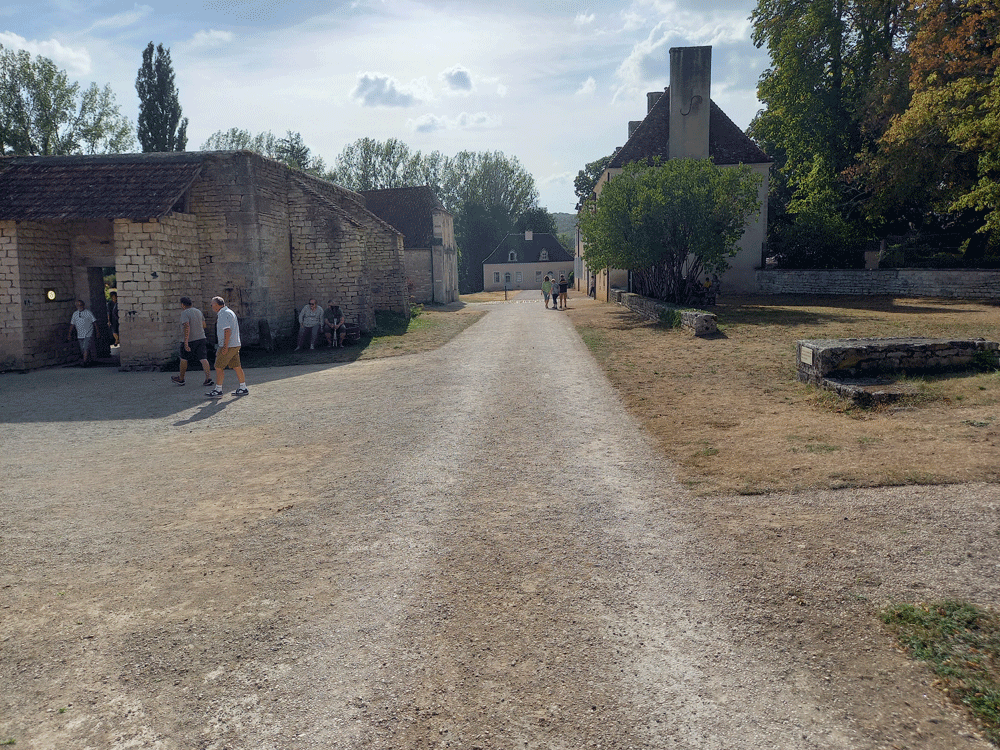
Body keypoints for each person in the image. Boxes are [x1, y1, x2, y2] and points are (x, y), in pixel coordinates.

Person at [206, 296, 248, 398]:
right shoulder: (229, 311)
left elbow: (227, 330)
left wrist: (224, 347)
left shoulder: (223, 314)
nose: (211, 306)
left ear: (216, 305)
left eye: (212, 304)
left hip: (228, 345)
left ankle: (218, 390)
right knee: (237, 366)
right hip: (235, 344)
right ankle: (243, 387)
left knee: (218, 367)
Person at [171, 297, 214, 387]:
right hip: (201, 338)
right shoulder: (198, 311)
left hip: (190, 339)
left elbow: (187, 326)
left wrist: (186, 342)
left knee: (183, 359)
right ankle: (208, 378)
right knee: (203, 358)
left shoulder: (184, 313)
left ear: (182, 304)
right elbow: (204, 325)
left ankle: (181, 378)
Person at [67, 299, 98, 366]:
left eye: (81, 305)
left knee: (85, 347)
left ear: (83, 305)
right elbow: (72, 324)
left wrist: (97, 332)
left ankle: (84, 362)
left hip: (88, 333)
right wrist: (69, 334)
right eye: (78, 305)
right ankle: (88, 360)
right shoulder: (75, 314)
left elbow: (94, 322)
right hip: (80, 334)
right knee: (82, 349)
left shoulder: (88, 312)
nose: (79, 306)